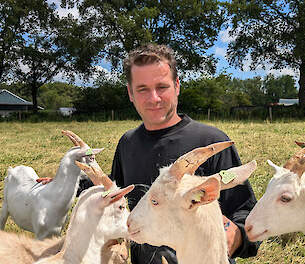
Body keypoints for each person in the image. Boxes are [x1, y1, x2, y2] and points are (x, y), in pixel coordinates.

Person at [110, 43, 260, 264]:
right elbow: (116, 196)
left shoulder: (211, 142)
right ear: (130, 93)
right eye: (142, 89)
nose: (154, 98)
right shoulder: (127, 143)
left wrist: (235, 236)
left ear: (177, 86)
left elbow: (245, 213)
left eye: (162, 87)